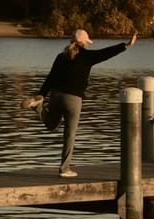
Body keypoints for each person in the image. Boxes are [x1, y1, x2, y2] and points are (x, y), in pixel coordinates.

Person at [25, 28, 137, 177]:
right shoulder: (87, 56)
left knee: (52, 124)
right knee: (69, 135)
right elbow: (106, 53)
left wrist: (41, 95)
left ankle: (38, 107)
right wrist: (127, 45)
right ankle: (64, 169)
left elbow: (50, 77)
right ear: (84, 43)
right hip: (73, 99)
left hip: (56, 95)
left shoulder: (61, 56)